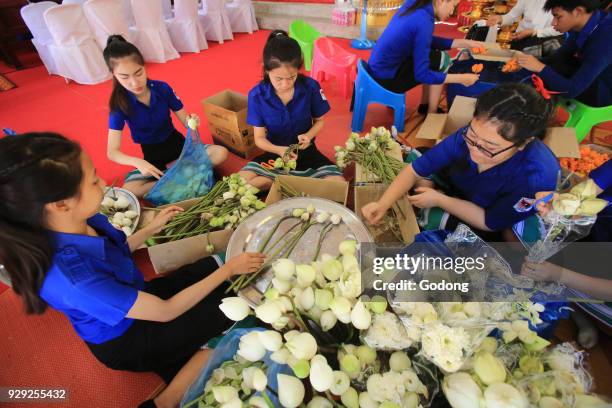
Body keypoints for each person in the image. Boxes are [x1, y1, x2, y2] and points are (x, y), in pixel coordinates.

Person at [0, 133, 265, 408]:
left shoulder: (77, 218)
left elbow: (115, 251)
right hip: (131, 339)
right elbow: (166, 311)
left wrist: (151, 228)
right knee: (226, 307)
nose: (103, 183)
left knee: (205, 269)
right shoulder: (74, 280)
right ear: (61, 204)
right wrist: (230, 269)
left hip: (135, 293)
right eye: (93, 180)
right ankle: (163, 402)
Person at [361, 83, 560, 238]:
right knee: (419, 155)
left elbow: (488, 222)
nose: (474, 149)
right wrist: (383, 204)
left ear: (523, 143)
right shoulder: (469, 136)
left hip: (482, 212)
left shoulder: (535, 178)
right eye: (472, 136)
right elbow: (415, 170)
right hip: (459, 186)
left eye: (489, 147)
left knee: (444, 230)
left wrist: (440, 199)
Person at [103, 35, 228, 198]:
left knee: (221, 153)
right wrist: (137, 162)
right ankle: (186, 175)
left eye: (138, 73)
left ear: (144, 66)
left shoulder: (162, 89)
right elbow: (112, 152)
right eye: (124, 77)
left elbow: (185, 120)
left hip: (180, 147)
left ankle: (172, 180)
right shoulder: (119, 105)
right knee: (130, 190)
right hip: (153, 158)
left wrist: (192, 124)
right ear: (114, 74)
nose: (134, 82)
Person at [238, 30, 345, 190]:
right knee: (239, 182)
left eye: (292, 77)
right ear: (267, 70)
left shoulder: (310, 87)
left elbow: (319, 121)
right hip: (276, 154)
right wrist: (279, 150)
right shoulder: (257, 95)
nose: (286, 84)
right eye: (279, 79)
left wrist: (309, 136)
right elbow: (260, 138)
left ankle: (279, 184)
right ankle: (287, 183)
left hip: (306, 153)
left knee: (339, 184)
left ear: (298, 70)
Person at [522, 159, 611, 334]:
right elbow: (579, 195)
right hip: (589, 242)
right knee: (521, 228)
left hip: (605, 281)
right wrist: (555, 203)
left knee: (544, 274)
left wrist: (558, 274)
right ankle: (575, 312)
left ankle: (579, 314)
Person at [367, 0, 485, 114]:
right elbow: (422, 75)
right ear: (441, 1)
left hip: (378, 69)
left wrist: (463, 43)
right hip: (387, 80)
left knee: (435, 57)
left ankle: (425, 106)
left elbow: (424, 40)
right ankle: (431, 114)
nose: (452, 11)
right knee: (442, 61)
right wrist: (462, 79)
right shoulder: (423, 20)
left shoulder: (416, 5)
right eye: (453, 5)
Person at [516, 0, 612, 107]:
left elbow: (570, 91)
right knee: (545, 69)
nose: (553, 23)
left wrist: (539, 67)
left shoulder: (606, 37)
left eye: (558, 17)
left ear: (578, 11)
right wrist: (525, 62)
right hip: (586, 76)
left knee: (543, 76)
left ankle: (526, 113)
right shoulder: (585, 22)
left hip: (604, 92)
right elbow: (558, 57)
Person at [486, 0, 564, 57]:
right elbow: (512, 16)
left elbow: (561, 29)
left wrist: (534, 32)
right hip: (520, 38)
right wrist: (500, 19)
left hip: (547, 42)